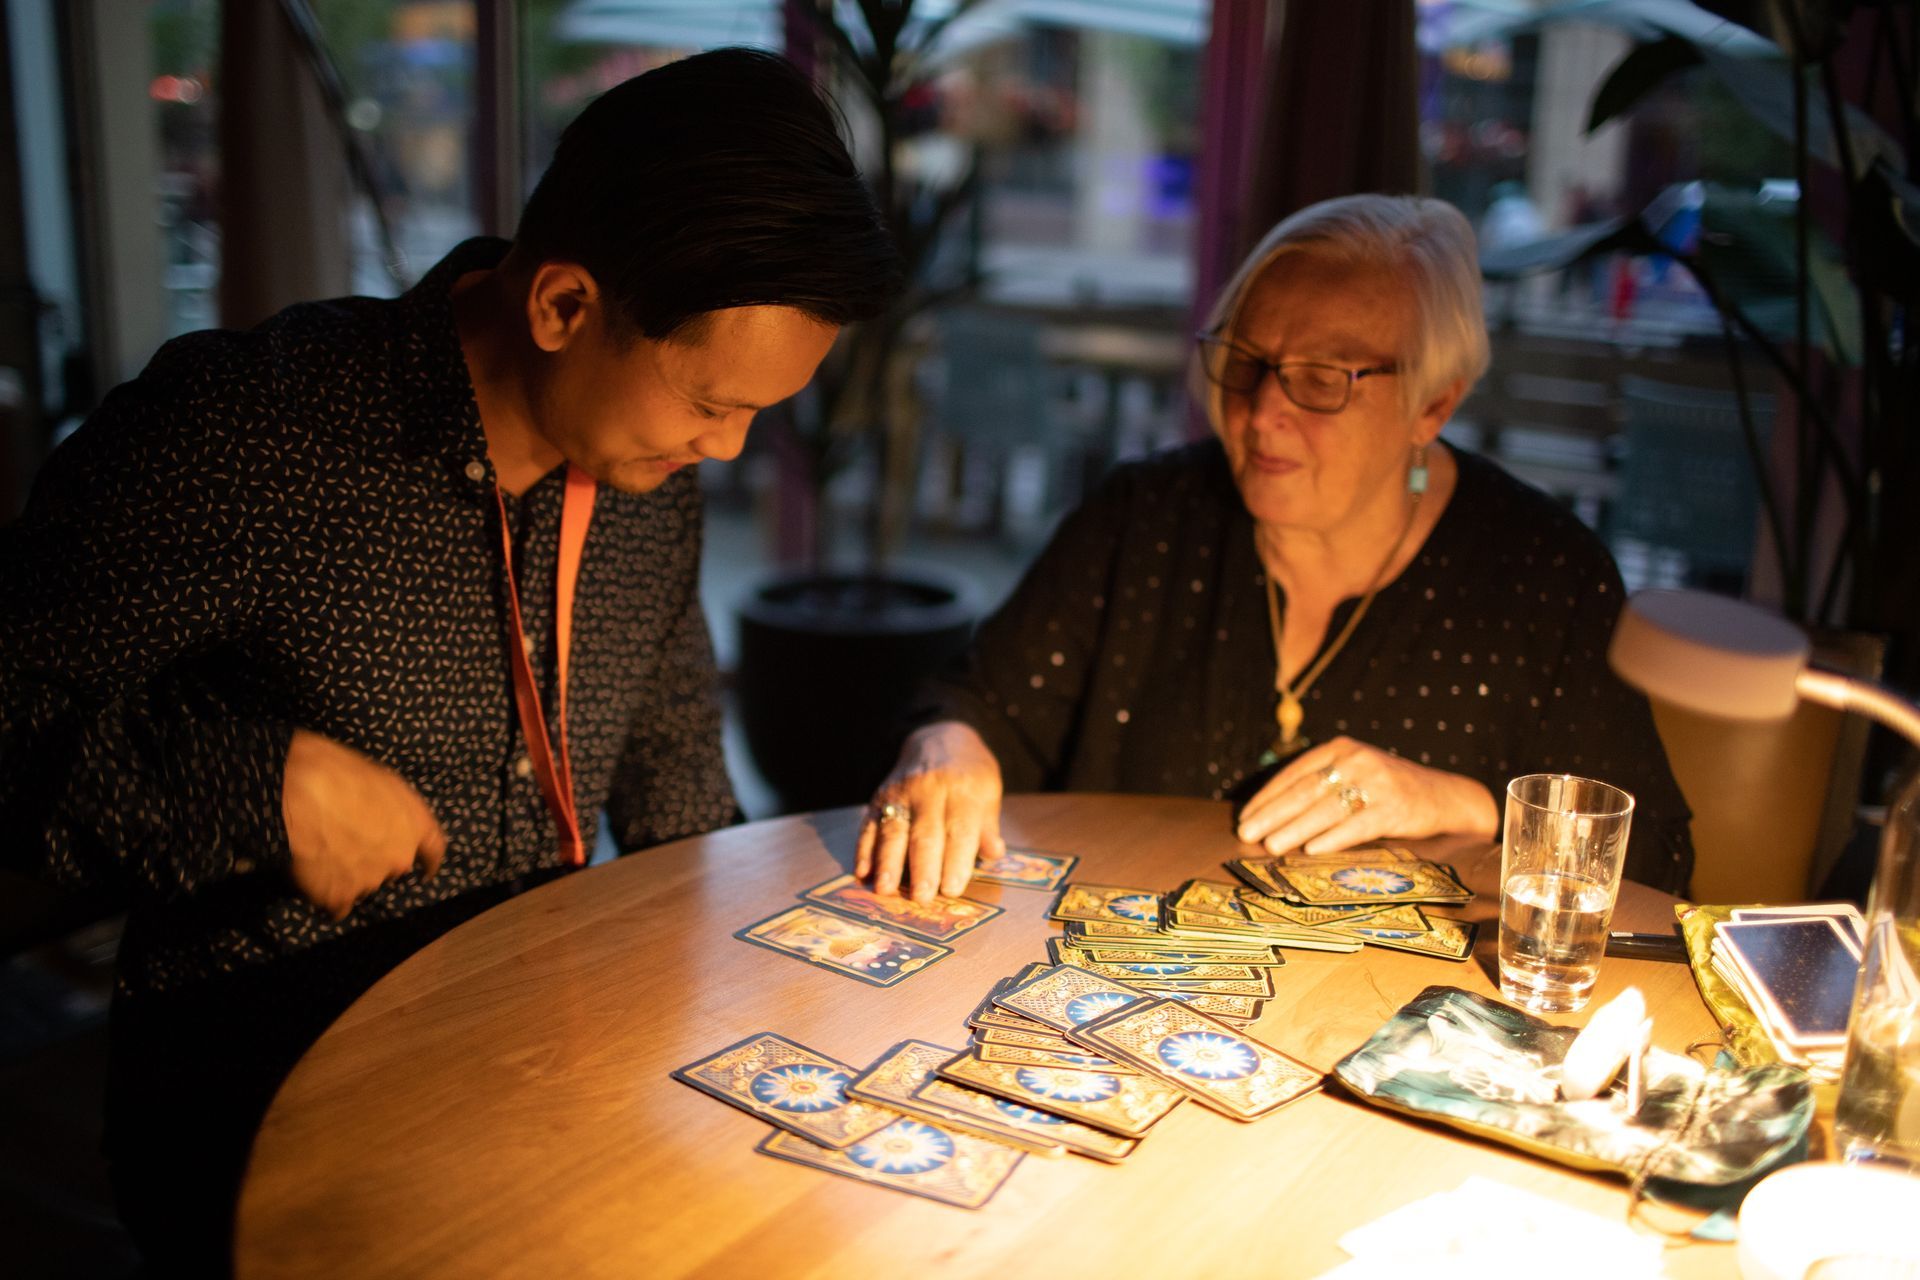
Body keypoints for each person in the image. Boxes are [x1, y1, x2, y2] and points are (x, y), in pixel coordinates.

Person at [0, 48, 900, 1274]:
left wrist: (791, 979)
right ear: (565, 307)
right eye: (708, 402)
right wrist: (251, 781)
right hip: (273, 1107)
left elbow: (675, 760)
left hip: (558, 1077)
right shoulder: (248, 438)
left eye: (758, 413)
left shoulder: (647, 471)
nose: (730, 451)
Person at [857, 193, 1691, 903]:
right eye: (1246, 362)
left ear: (1434, 407)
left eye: (1324, 378)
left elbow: (1656, 860)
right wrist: (947, 747)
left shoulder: (1544, 574)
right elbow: (979, 704)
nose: (1260, 412)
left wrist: (1460, 801)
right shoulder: (1146, 517)